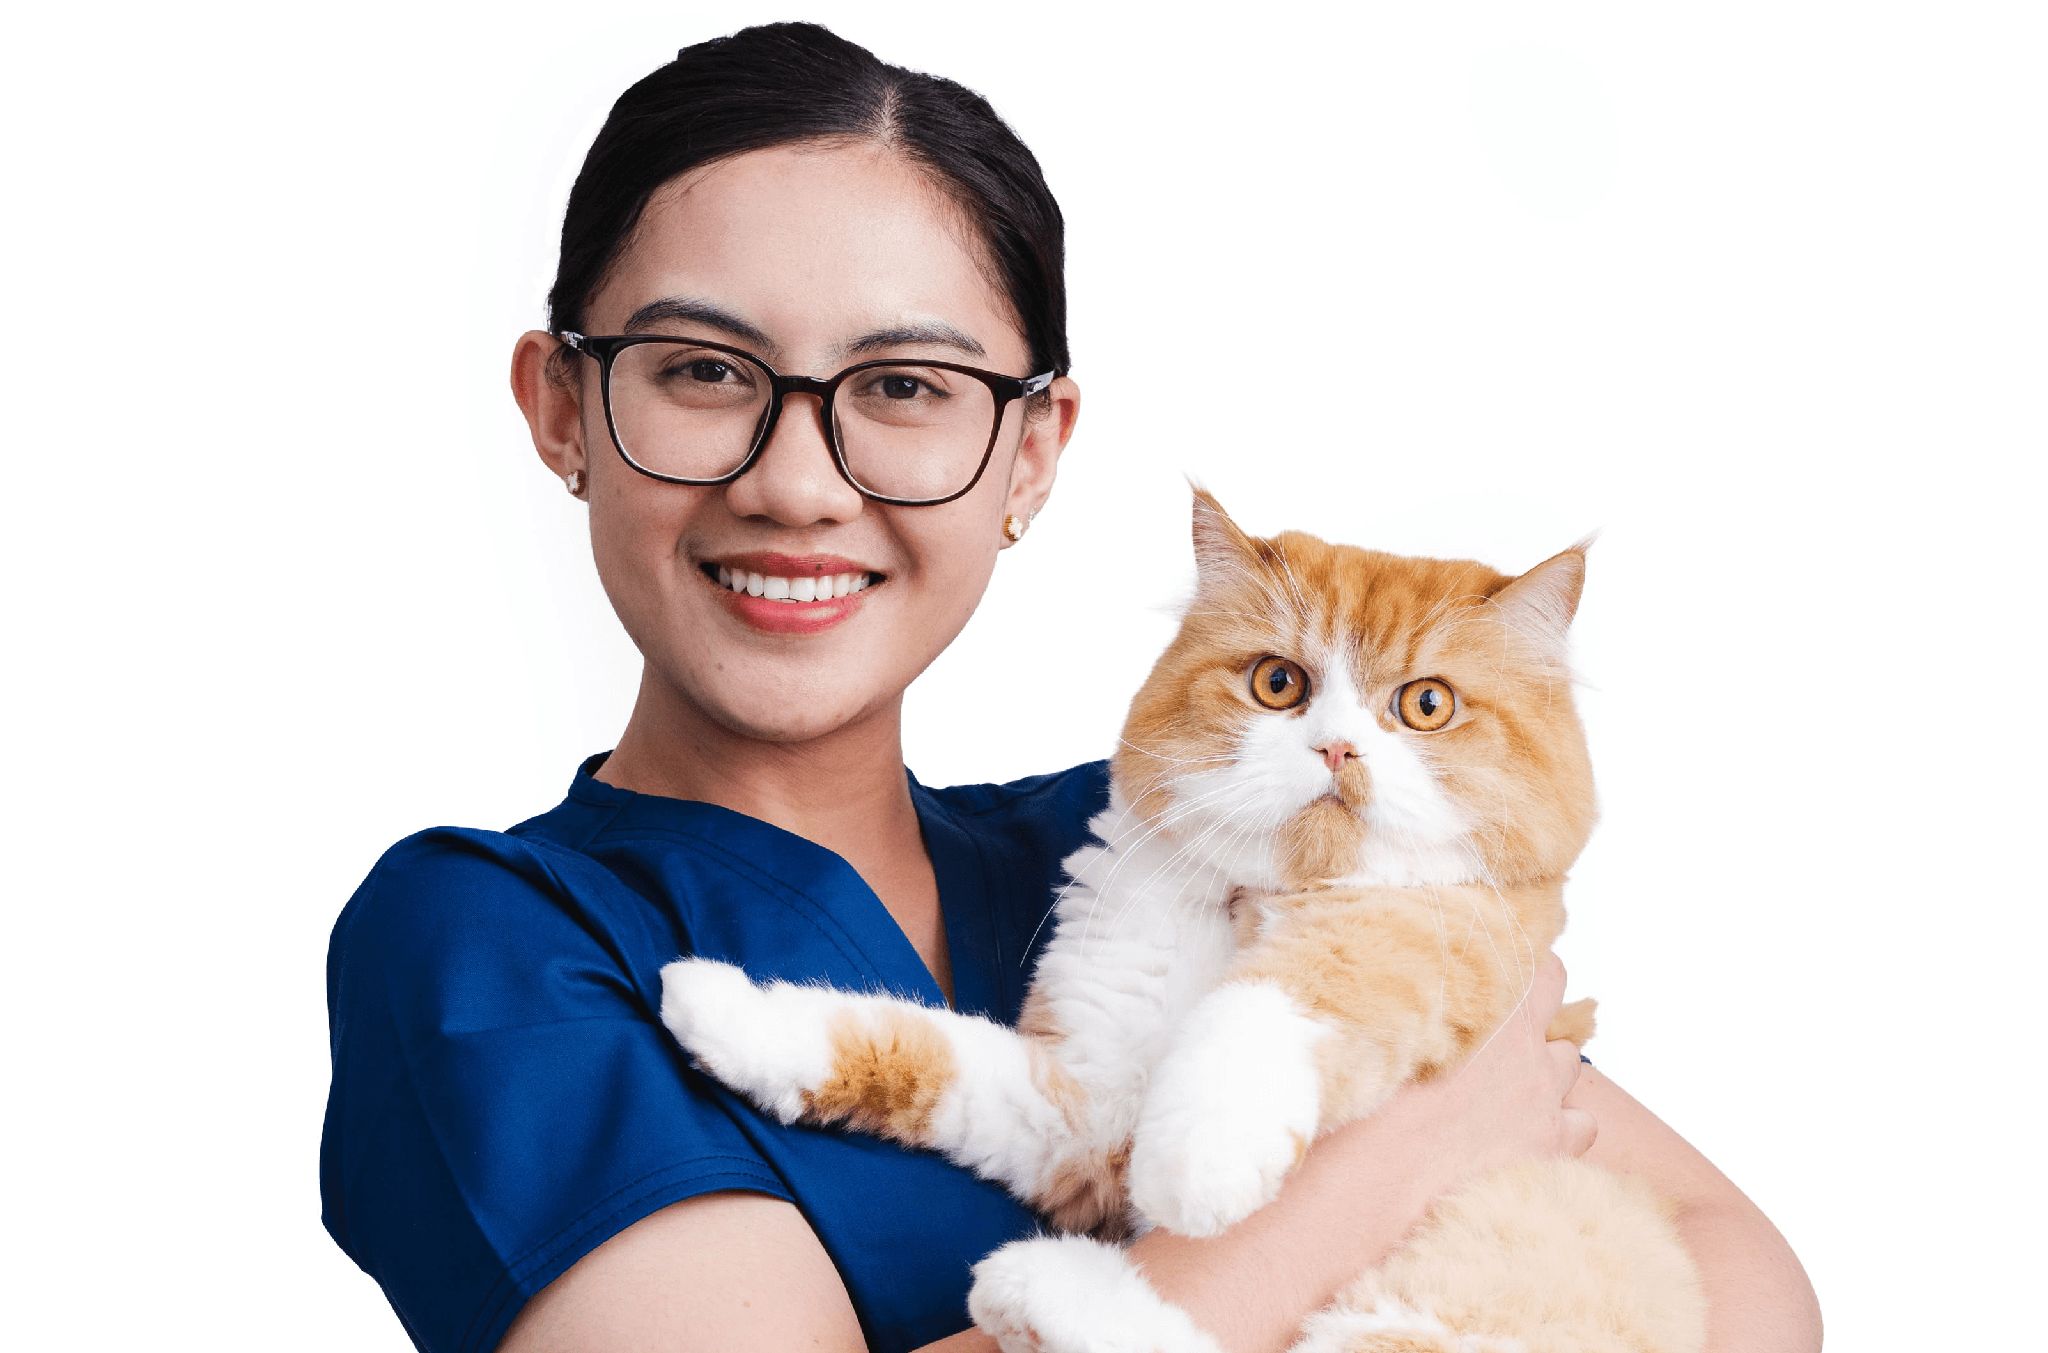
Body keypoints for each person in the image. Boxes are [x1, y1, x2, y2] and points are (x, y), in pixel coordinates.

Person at [319, 21, 1820, 1353]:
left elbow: (1740, 1275)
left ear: (1031, 454)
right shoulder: (489, 946)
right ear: (562, 407)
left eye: (904, 387)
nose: (797, 483)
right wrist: (1384, 1171)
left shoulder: (1167, 833)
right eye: (704, 370)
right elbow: (1475, 1111)